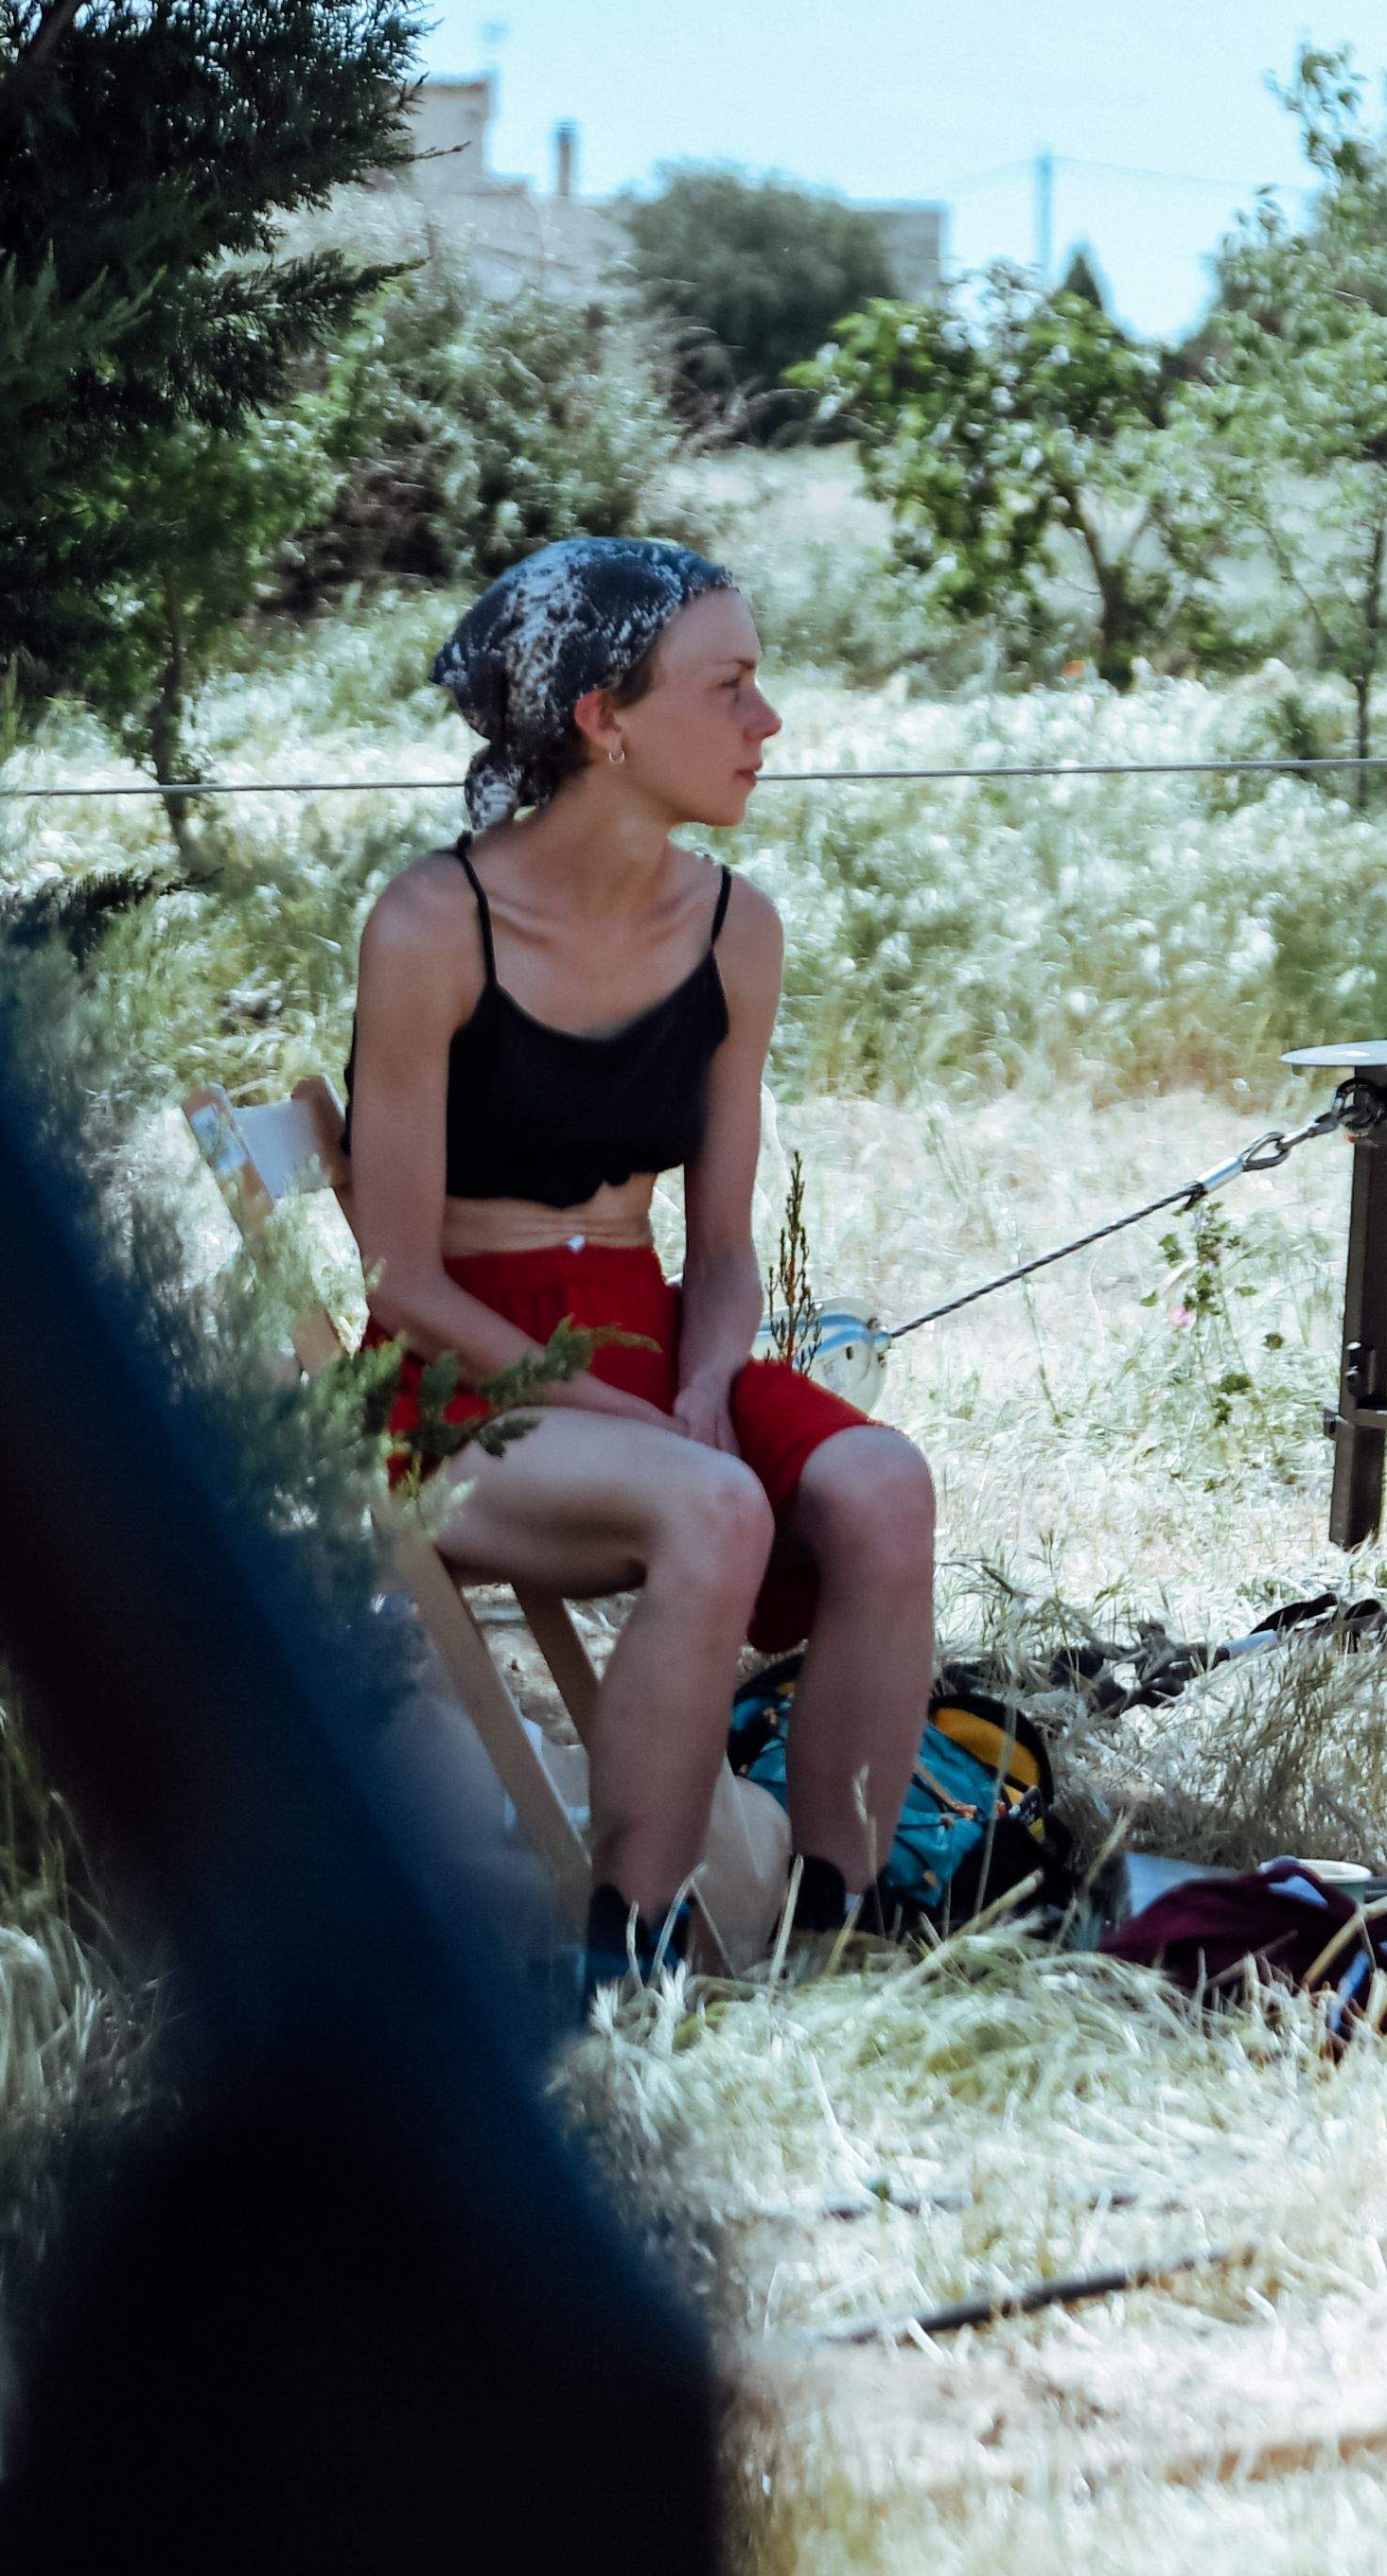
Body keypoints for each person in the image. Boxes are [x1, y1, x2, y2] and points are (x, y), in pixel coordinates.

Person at [335, 540, 944, 1975]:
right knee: (719, 1509)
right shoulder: (432, 923)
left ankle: (834, 1929)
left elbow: (722, 1246)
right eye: (729, 686)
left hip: (651, 1335)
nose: (767, 721)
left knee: (882, 1483)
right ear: (603, 718)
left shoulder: (738, 927)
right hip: (451, 1380)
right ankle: (635, 1949)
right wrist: (659, 1433)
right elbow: (399, 1281)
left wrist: (711, 1384)